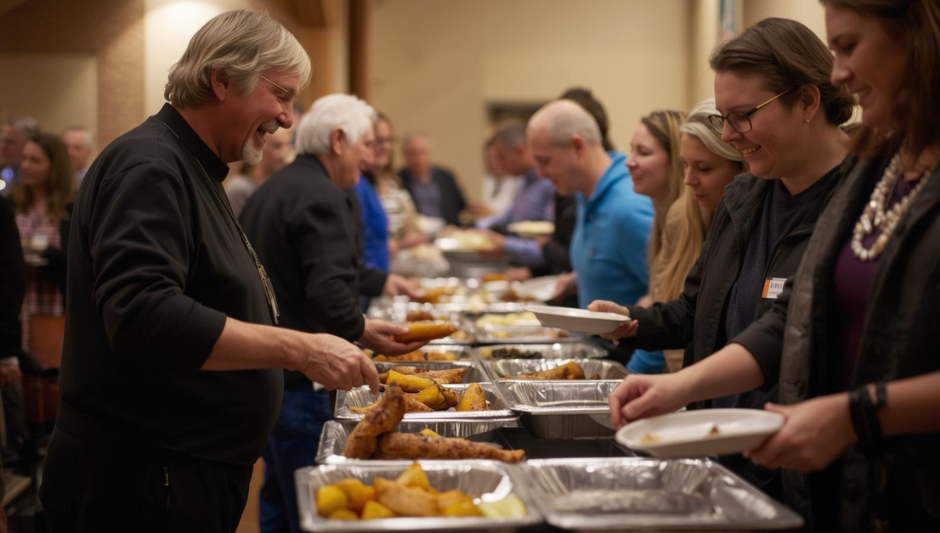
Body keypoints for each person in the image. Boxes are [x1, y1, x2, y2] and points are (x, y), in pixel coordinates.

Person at [39, 11, 379, 532]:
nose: (288, 118)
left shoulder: (190, 165)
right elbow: (144, 315)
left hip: (175, 472)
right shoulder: (151, 166)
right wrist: (301, 348)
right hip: (143, 481)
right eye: (282, 95)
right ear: (222, 79)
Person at [606, 2, 940, 530]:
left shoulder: (858, 180)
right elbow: (791, 317)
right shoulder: (876, 170)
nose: (839, 73)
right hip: (835, 483)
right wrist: (677, 382)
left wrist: (852, 414)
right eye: (725, 118)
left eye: (850, 46)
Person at [593, 16, 853, 497]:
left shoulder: (857, 202)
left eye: (744, 115)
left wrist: (679, 386)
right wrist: (632, 319)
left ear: (808, 100)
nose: (730, 134)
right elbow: (698, 311)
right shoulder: (745, 197)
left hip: (798, 476)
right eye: (723, 118)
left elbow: (786, 329)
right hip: (722, 459)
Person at [241, 94, 424, 533]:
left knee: (281, 499)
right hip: (302, 380)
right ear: (338, 140)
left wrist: (380, 283)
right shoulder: (325, 194)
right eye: (365, 143)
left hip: (269, 375)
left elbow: (316, 263)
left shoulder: (279, 185)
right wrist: (364, 329)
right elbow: (326, 290)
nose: (369, 155)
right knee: (317, 507)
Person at [531, 100, 654, 347]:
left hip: (629, 361)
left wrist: (639, 372)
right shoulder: (584, 194)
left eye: (545, 160)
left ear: (577, 147)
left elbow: (667, 301)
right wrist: (580, 277)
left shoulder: (627, 210)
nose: (540, 173)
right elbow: (618, 261)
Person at [655, 98, 746, 373]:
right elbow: (676, 307)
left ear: (741, 167)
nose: (688, 180)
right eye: (684, 165)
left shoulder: (752, 221)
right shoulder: (680, 216)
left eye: (704, 168)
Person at [621, 110, 687, 374]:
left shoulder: (682, 218)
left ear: (677, 161)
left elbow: (679, 314)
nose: (629, 162)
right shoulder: (660, 216)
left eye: (643, 153)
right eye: (631, 150)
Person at [10, 133, 74, 352]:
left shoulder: (72, 208)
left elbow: (81, 266)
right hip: (17, 308)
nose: (26, 166)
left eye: (35, 161)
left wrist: (47, 253)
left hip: (57, 309)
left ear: (54, 167)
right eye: (24, 159)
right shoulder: (11, 204)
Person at [477, 120, 556, 267]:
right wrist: (474, 228)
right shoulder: (523, 181)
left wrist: (505, 245)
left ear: (520, 150)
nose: (499, 164)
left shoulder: (549, 182)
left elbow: (551, 246)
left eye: (502, 157)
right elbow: (507, 218)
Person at [363, 114, 426, 257]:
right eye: (379, 140)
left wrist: (410, 236)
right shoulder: (359, 185)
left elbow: (413, 226)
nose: (386, 147)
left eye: (389, 140)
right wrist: (400, 243)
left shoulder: (393, 182)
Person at [398, 133, 468, 226]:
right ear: (405, 155)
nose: (418, 158)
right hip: (419, 234)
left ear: (428, 153)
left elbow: (462, 206)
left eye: (422, 152)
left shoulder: (445, 176)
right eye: (412, 153)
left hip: (449, 230)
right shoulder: (398, 180)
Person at [224, 126, 294, 217]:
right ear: (260, 146)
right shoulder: (240, 188)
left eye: (288, 145)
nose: (284, 154)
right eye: (277, 146)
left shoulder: (279, 186)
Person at [0, 117, 39, 196]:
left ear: (28, 144)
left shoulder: (35, 180)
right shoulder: (5, 171)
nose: (3, 147)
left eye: (10, 142)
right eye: (2, 140)